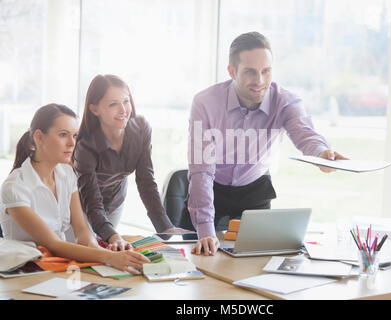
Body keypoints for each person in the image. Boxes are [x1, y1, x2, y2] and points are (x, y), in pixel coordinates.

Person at [185, 32, 347, 256]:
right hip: (211, 188)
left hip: (254, 190)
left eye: (266, 71)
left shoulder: (285, 101)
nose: (259, 81)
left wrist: (321, 154)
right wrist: (205, 230)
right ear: (232, 71)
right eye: (250, 71)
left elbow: (305, 133)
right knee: (198, 261)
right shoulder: (205, 102)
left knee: (254, 264)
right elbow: (201, 170)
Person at [0, 104, 149, 273]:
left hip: (60, 267)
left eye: (75, 135)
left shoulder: (66, 173)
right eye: (63, 135)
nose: (72, 143)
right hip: (24, 272)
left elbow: (81, 231)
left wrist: (100, 252)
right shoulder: (15, 187)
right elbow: (53, 244)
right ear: (39, 137)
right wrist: (108, 257)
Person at [73, 74, 190, 251]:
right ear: (95, 109)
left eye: (126, 101)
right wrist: (112, 235)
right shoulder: (85, 147)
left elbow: (146, 182)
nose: (123, 110)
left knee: (111, 250)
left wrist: (165, 228)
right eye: (113, 104)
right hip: (81, 206)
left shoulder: (141, 129)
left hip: (114, 202)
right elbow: (92, 200)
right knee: (91, 251)